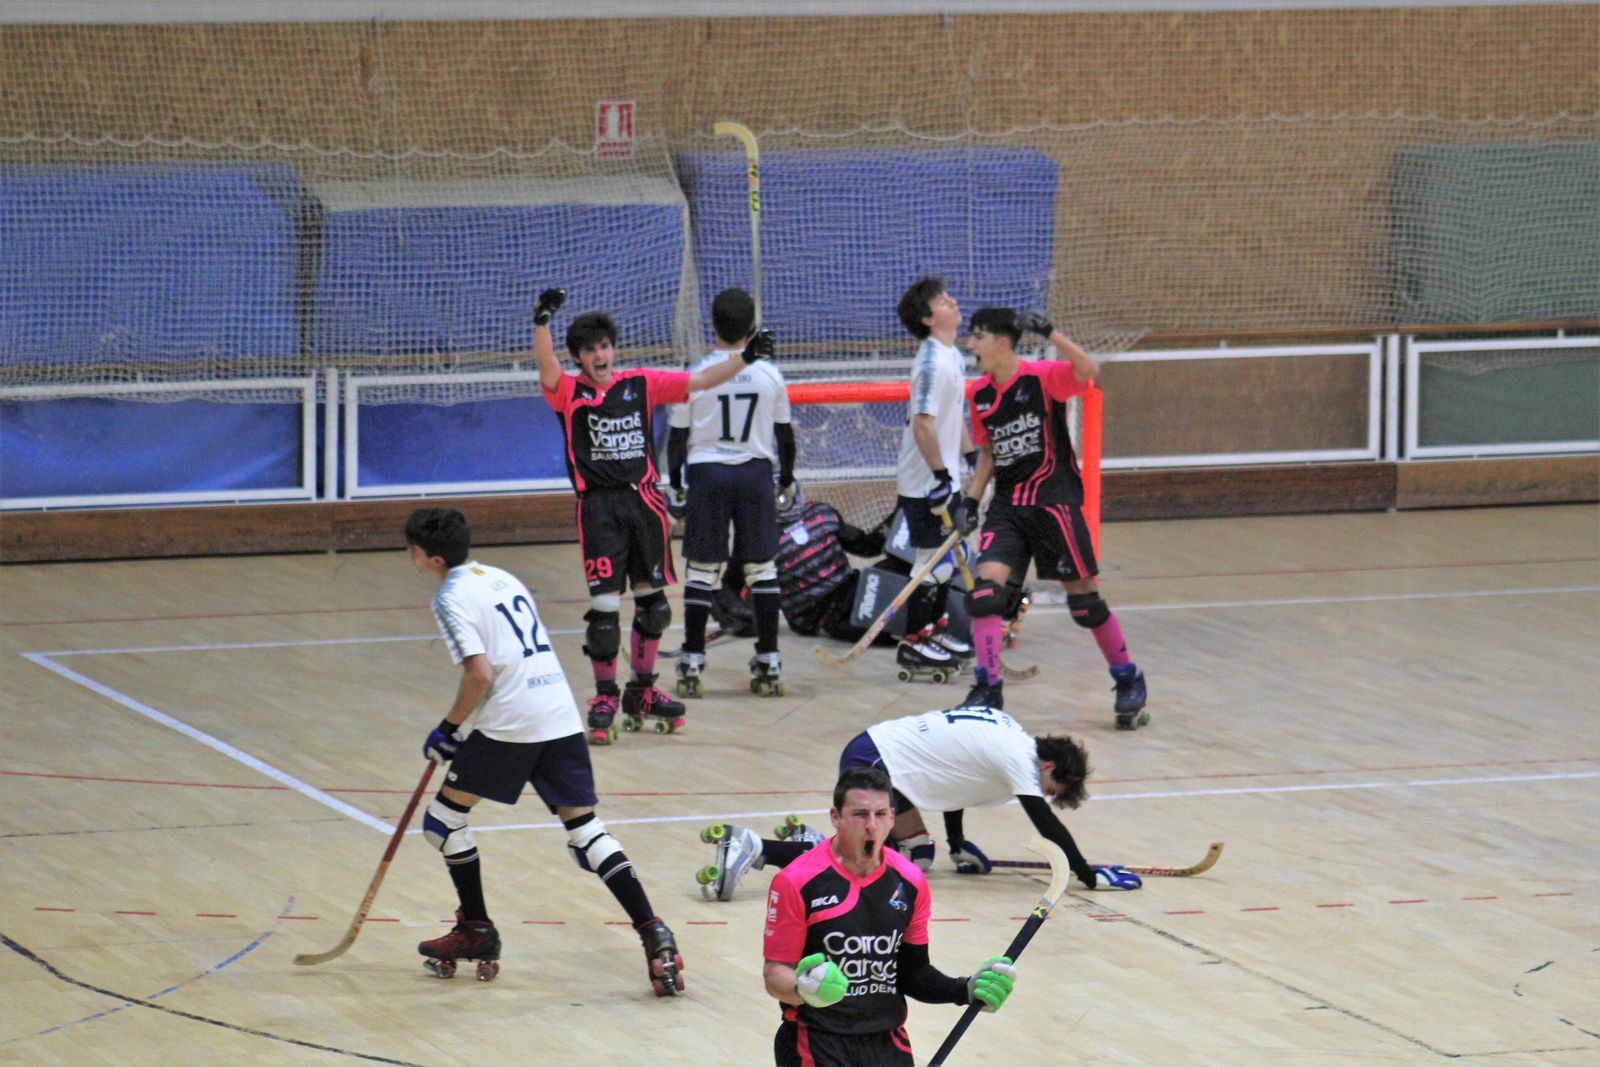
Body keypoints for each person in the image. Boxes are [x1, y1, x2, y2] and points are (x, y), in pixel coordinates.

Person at [402, 506, 684, 994]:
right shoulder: (501, 577)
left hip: (513, 721)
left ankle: (476, 930)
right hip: (558, 711)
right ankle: (653, 931)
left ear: (429, 557)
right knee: (585, 831)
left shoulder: (449, 596)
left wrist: (448, 728)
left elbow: (480, 674)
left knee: (442, 822)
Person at [532, 287, 771, 742]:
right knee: (604, 610)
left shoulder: (638, 383)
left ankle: (641, 691)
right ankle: (604, 693)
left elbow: (699, 382)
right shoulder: (570, 394)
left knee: (654, 607)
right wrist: (542, 321)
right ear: (579, 358)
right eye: (590, 350)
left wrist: (748, 359)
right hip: (599, 508)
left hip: (645, 504)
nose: (600, 355)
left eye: (604, 346)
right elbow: (546, 370)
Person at [698, 706, 1141, 903]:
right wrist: (1087, 875)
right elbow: (1048, 828)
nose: (1044, 794)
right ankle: (754, 846)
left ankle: (811, 842)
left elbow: (956, 780)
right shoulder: (1018, 759)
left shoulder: (1008, 730)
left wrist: (957, 843)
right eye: (1051, 788)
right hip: (873, 760)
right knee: (862, 861)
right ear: (1047, 764)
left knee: (918, 857)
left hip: (882, 755)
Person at [959, 307, 1149, 727]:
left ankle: (1127, 678)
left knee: (1084, 604)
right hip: (1008, 505)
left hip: (1053, 501)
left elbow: (1088, 369)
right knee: (986, 592)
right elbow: (988, 453)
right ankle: (987, 687)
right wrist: (971, 501)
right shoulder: (979, 394)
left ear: (1002, 342)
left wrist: (1051, 333)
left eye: (977, 337)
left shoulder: (1042, 376)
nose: (970, 345)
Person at [761, 765, 1019, 1067]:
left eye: (880, 814)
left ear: (893, 818)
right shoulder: (796, 881)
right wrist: (803, 990)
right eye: (860, 814)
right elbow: (775, 974)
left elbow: (913, 973)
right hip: (815, 1041)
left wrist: (964, 989)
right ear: (835, 817)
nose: (871, 825)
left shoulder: (910, 881)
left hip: (886, 1043)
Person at [665, 287, 796, 699]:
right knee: (762, 568)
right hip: (754, 472)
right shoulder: (769, 373)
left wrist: (676, 481)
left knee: (703, 568)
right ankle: (770, 655)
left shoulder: (698, 372)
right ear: (751, 326)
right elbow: (784, 435)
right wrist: (786, 478)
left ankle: (691, 657)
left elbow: (678, 436)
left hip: (708, 472)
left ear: (712, 324)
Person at [891, 277, 975, 679]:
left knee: (943, 563)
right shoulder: (930, 362)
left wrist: (970, 456)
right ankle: (913, 642)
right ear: (928, 319)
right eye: (943, 301)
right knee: (930, 562)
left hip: (945, 478)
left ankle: (934, 631)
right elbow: (924, 425)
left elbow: (951, 415)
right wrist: (942, 475)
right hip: (924, 482)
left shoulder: (952, 355)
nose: (953, 302)